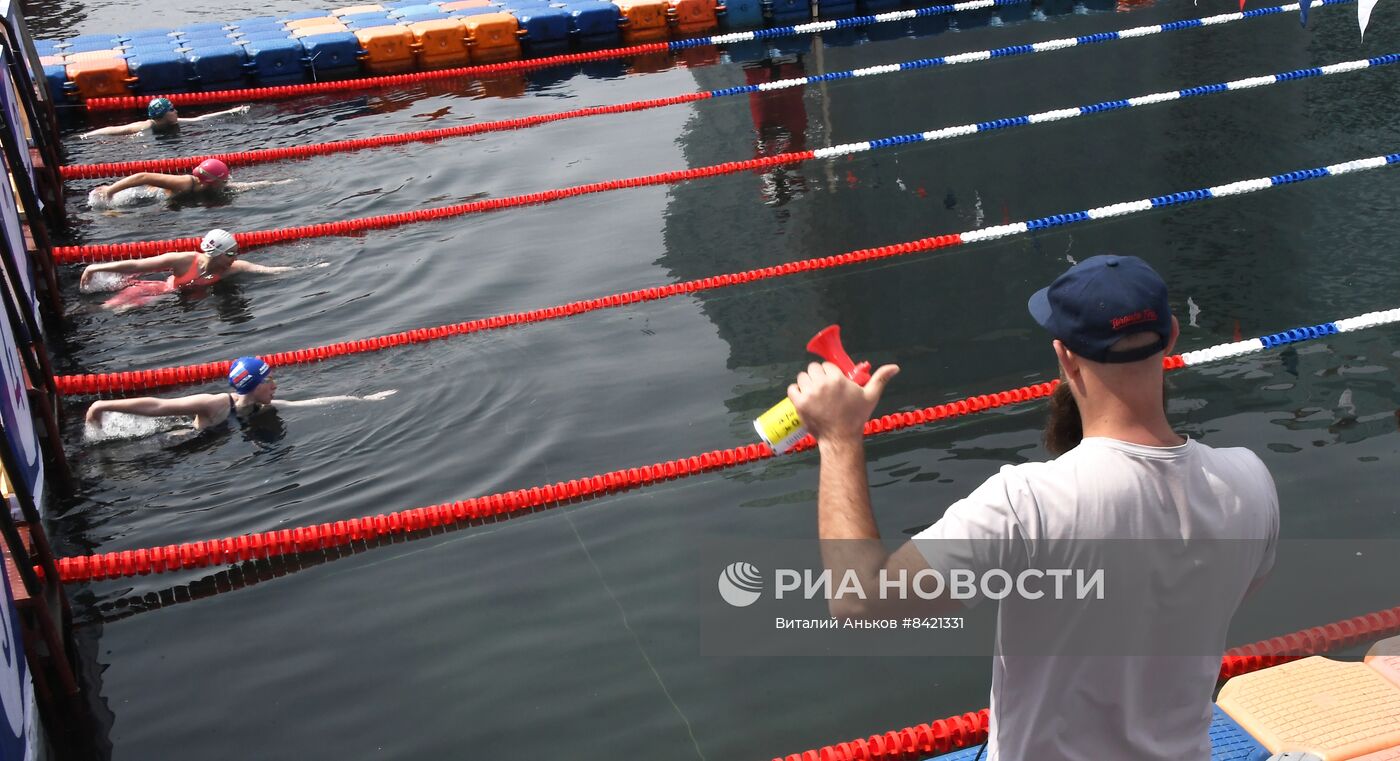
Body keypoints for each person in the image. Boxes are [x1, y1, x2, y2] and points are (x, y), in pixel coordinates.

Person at [787, 255, 1278, 761]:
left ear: (1065, 357)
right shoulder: (1250, 482)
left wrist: (839, 439)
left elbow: (858, 598)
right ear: (1172, 335)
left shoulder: (1029, 503)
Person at [85, 356, 396, 434]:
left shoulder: (260, 407)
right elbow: (159, 406)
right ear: (253, 385)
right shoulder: (216, 403)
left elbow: (310, 403)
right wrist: (103, 404)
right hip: (175, 443)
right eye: (269, 381)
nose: (275, 386)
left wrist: (362, 400)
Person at [78, 228, 314, 310]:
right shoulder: (185, 261)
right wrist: (96, 267)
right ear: (216, 253)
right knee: (109, 309)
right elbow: (138, 264)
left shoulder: (234, 268)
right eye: (231, 253)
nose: (235, 257)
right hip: (155, 291)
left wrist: (310, 268)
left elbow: (268, 270)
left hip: (181, 300)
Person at [87, 158, 285, 210]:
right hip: (133, 196)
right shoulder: (184, 183)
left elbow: (240, 186)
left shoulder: (207, 183)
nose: (227, 182)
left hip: (154, 200)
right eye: (224, 179)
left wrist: (273, 183)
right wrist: (111, 190)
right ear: (212, 181)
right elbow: (142, 176)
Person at [80, 97, 251, 139]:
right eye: (172, 110)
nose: (176, 112)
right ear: (162, 114)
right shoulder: (145, 127)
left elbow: (199, 119)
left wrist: (232, 111)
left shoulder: (170, 121)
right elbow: (112, 130)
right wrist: (85, 136)